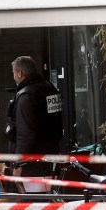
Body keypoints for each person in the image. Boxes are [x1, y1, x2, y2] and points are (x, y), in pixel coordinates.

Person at [6, 56, 63, 188]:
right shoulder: (50, 89)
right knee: (49, 198)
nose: (13, 76)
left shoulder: (26, 96)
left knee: (35, 199)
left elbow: (25, 134)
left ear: (19, 73)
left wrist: (18, 164)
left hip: (32, 165)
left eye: (14, 72)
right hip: (51, 158)